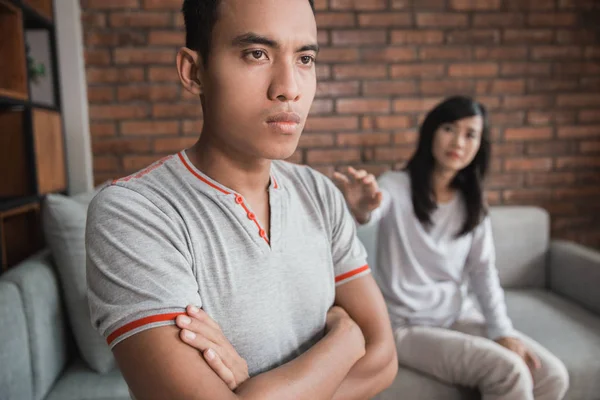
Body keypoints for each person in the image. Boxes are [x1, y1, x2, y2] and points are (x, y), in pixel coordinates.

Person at [85, 0, 397, 399]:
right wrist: (346, 338)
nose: (289, 88)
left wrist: (256, 392)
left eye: (304, 58)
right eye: (257, 53)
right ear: (194, 71)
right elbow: (367, 346)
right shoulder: (135, 213)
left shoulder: (320, 194)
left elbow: (385, 360)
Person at [333, 96, 569, 400]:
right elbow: (370, 214)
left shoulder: (472, 202)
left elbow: (483, 272)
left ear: (479, 145)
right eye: (449, 128)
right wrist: (362, 208)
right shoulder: (395, 185)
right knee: (509, 370)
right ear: (431, 131)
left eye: (470, 134)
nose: (458, 141)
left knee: (552, 375)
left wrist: (502, 331)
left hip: (458, 315)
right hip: (406, 325)